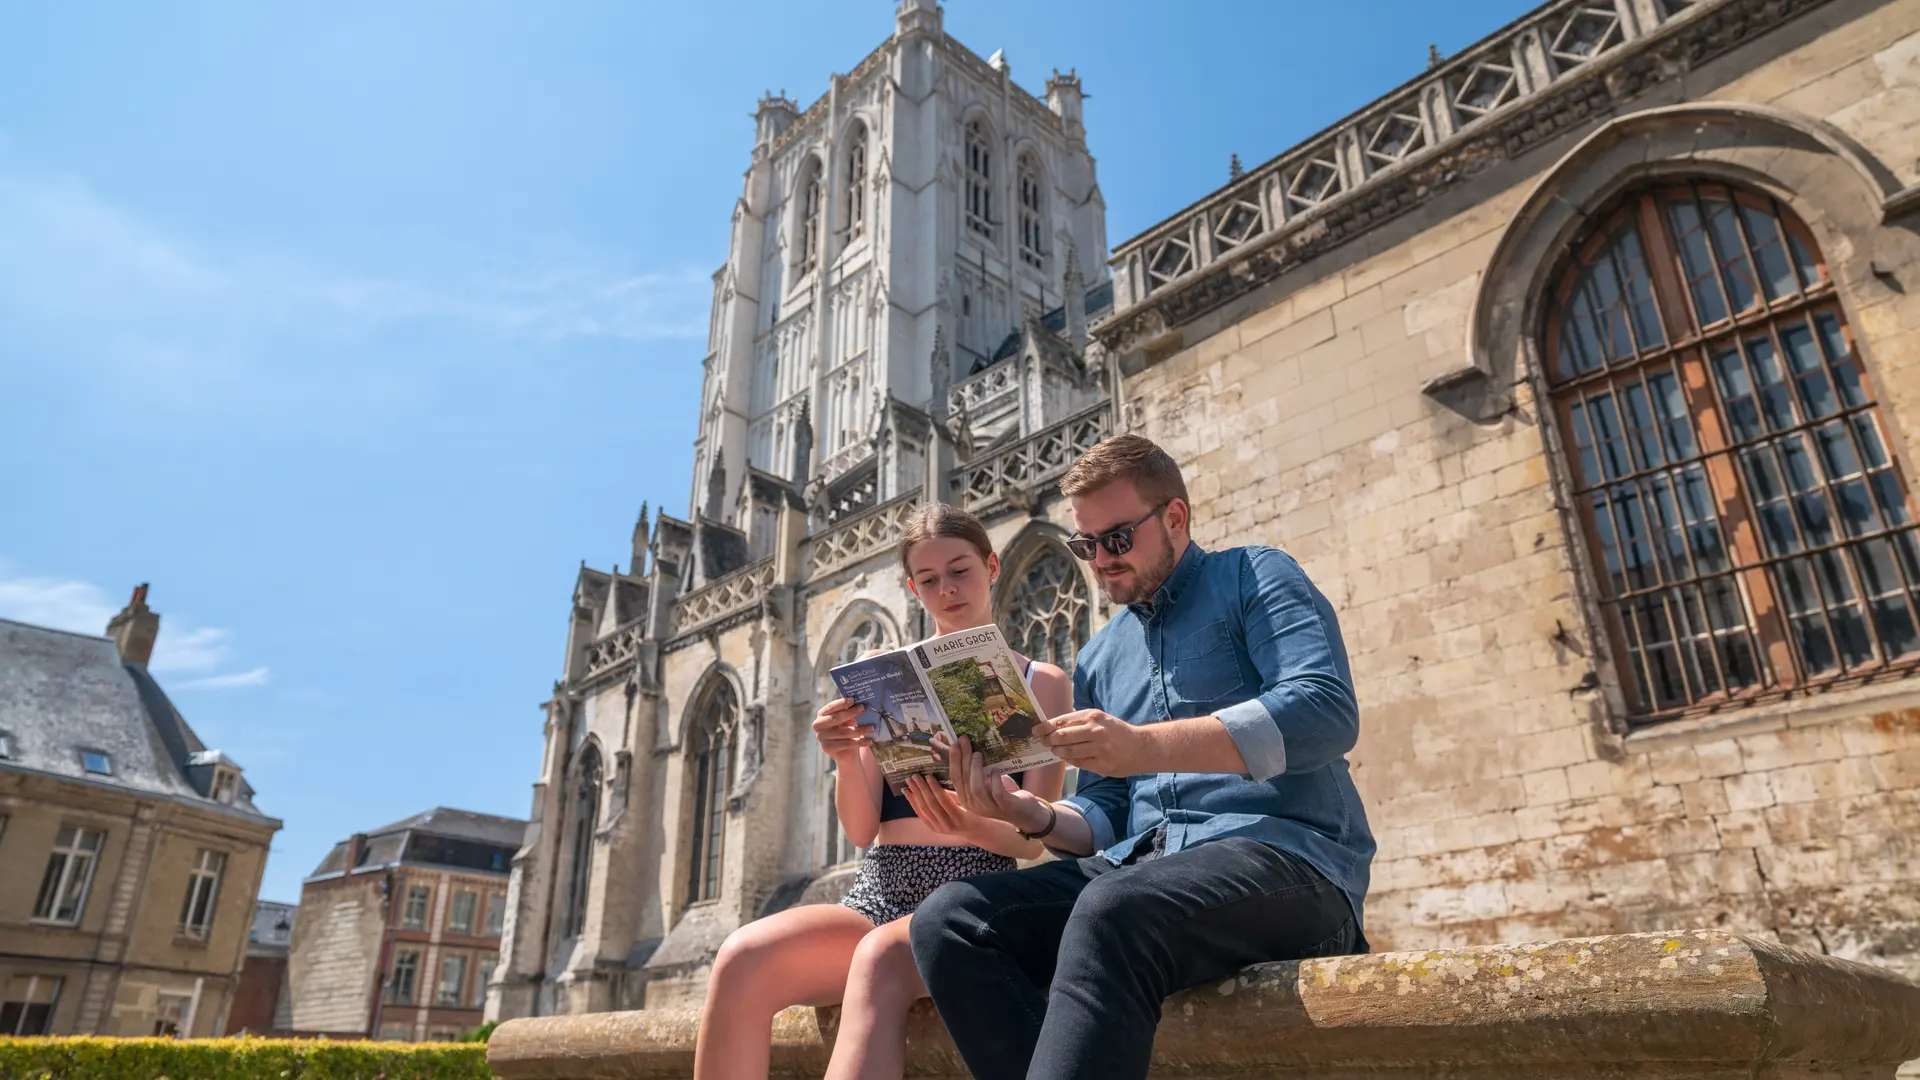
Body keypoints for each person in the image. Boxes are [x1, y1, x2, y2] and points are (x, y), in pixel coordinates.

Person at [911, 433, 1375, 1080]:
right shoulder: (1100, 656)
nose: (1100, 560)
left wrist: (1144, 746)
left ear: (1175, 519)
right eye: (1085, 545)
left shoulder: (1255, 575)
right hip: (1147, 871)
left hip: (1293, 863)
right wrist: (1033, 815)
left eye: (1118, 539)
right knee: (950, 921)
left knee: (1112, 909)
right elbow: (1106, 809)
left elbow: (1324, 710)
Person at [692, 503, 1070, 1080]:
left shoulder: (1043, 682)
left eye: (960, 570)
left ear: (993, 567)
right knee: (742, 958)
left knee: (879, 959)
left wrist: (967, 822)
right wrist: (845, 756)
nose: (946, 589)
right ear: (913, 589)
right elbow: (860, 829)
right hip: (879, 889)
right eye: (928, 579)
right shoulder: (883, 675)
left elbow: (1031, 841)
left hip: (973, 896)